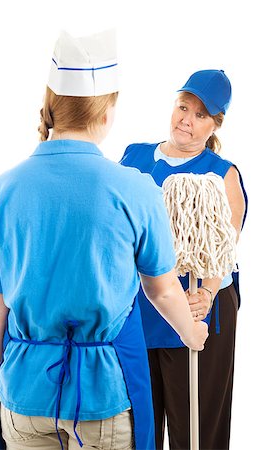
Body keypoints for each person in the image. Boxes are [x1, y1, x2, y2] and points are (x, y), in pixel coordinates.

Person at [0, 31, 208, 450]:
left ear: (52, 106)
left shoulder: (0, 193)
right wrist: (191, 332)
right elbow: (163, 289)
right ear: (106, 111)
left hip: (23, 399)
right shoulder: (135, 190)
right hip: (105, 400)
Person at [120, 69, 247, 450]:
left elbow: (225, 248)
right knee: (139, 426)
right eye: (183, 107)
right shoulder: (133, 157)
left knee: (195, 429)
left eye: (200, 115)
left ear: (215, 124)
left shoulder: (221, 175)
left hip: (197, 308)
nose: (186, 121)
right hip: (140, 309)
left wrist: (206, 294)